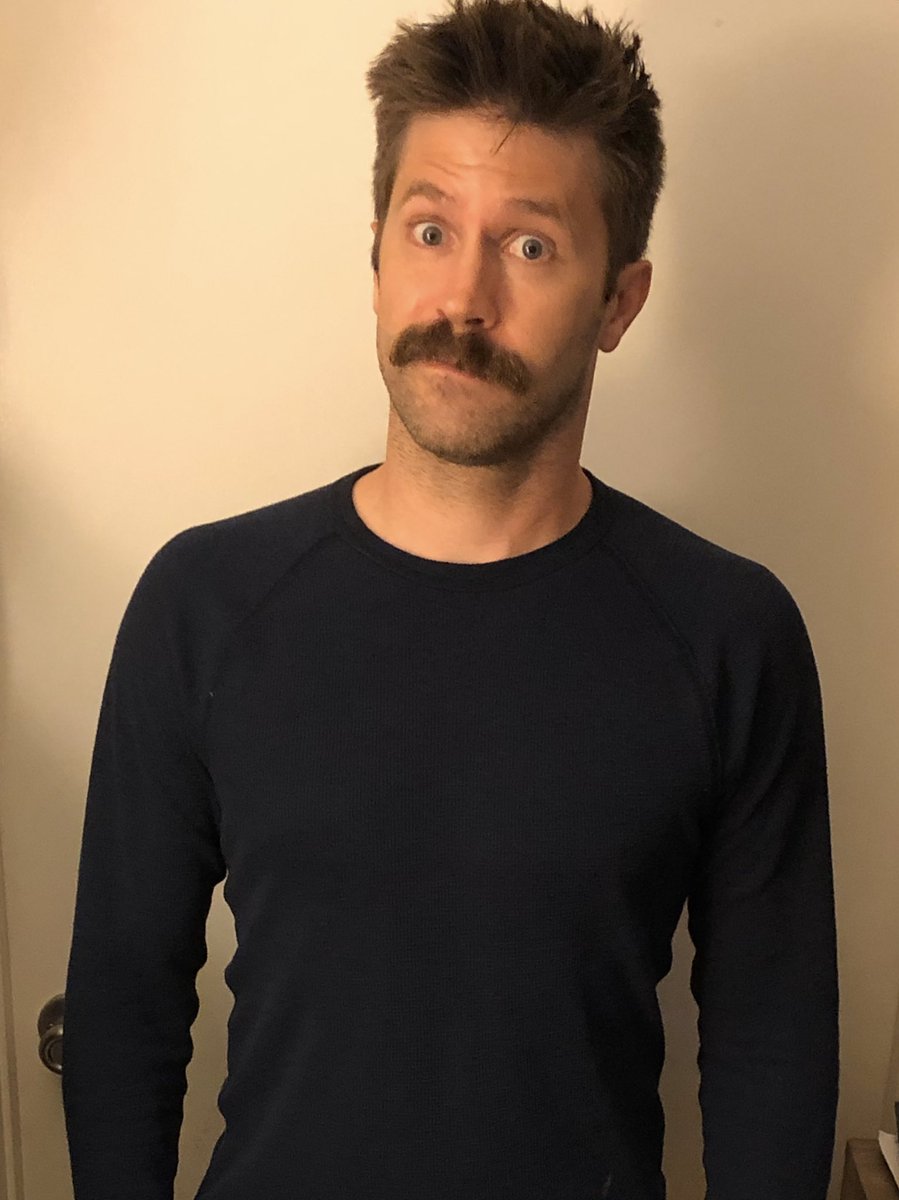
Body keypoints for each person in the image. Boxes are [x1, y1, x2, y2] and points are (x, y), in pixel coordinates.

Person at [61, 1, 839, 1197]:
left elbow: (770, 1050)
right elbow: (124, 1008)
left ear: (618, 301)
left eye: (528, 247)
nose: (463, 298)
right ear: (376, 257)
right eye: (429, 230)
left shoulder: (729, 638)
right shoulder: (202, 607)